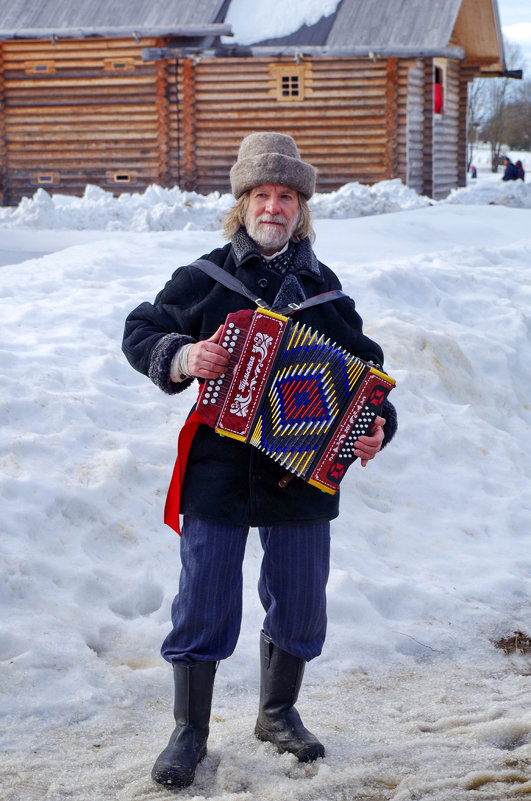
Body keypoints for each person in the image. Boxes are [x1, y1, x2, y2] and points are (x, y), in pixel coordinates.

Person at [122, 132, 398, 789]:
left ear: (300, 210)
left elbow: (369, 376)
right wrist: (185, 356)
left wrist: (373, 428)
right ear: (241, 204)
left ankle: (278, 712)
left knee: (301, 601)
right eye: (261, 195)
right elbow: (141, 328)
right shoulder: (205, 277)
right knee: (203, 598)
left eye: (286, 197)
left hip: (299, 476)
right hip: (219, 468)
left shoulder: (322, 291)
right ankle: (189, 729)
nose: (273, 207)